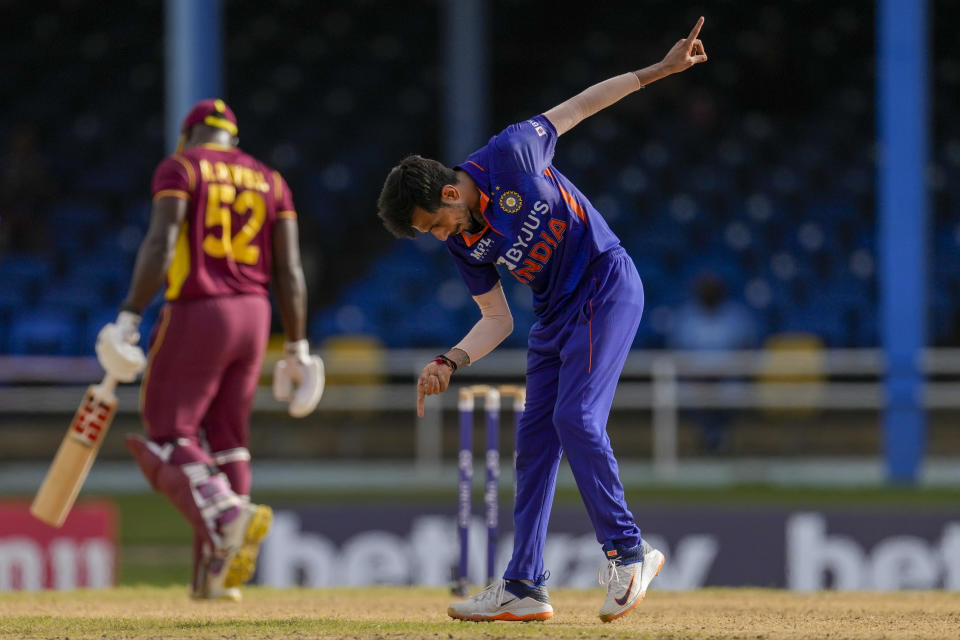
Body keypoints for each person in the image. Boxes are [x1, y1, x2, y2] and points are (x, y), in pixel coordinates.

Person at [377, 17, 708, 623]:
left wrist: (661, 70)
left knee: (576, 417)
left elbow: (584, 104)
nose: (439, 237)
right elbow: (496, 319)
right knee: (534, 448)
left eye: (433, 225)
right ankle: (524, 586)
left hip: (605, 284)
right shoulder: (462, 245)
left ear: (449, 194)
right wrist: (449, 360)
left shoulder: (512, 152)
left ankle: (630, 552)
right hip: (553, 316)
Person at [95, 99, 323, 601]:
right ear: (233, 140)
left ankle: (226, 514)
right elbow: (290, 271)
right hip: (256, 315)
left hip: (201, 307)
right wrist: (299, 346)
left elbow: (161, 241)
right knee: (228, 440)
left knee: (166, 432)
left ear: (189, 135)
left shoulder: (180, 167)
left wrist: (130, 313)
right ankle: (215, 576)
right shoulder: (271, 179)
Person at [668, 271, 758, 453]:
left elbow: (746, 351)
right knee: (682, 394)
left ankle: (719, 437)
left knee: (733, 393)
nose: (709, 292)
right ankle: (708, 436)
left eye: (713, 288)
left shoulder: (736, 315)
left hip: (728, 380)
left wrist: (724, 373)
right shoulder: (686, 316)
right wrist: (696, 378)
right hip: (694, 382)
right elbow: (677, 355)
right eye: (705, 288)